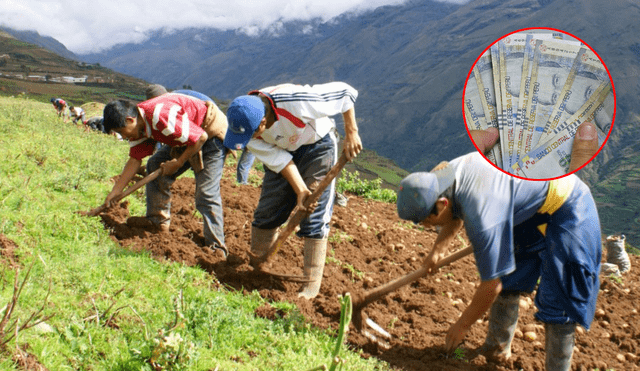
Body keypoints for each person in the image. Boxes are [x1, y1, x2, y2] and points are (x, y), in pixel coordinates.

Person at [396, 136, 602, 370]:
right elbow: (453, 213)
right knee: (510, 276)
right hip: (525, 208)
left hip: (567, 204)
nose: (426, 226)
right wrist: (437, 251)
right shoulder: (441, 176)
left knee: (561, 297)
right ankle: (496, 348)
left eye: (426, 221)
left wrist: (462, 325)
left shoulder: (482, 213)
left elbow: (490, 286)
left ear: (440, 203)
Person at [223, 82, 362, 299]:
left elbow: (346, 92)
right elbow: (280, 160)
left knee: (314, 216)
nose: (249, 140)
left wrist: (351, 132)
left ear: (262, 123)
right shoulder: (245, 128)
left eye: (253, 134)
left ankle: (310, 286)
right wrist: (300, 190)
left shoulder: (297, 101)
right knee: (267, 211)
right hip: (283, 151)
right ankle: (260, 267)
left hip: (318, 146)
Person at [101, 92, 229, 258]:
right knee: (154, 164)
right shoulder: (140, 125)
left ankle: (216, 247)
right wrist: (116, 191)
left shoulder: (160, 116)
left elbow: (200, 137)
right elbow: (135, 160)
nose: (124, 137)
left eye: (122, 132)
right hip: (186, 135)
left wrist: (178, 162)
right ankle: (157, 221)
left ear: (130, 120)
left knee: (206, 192)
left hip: (210, 135)